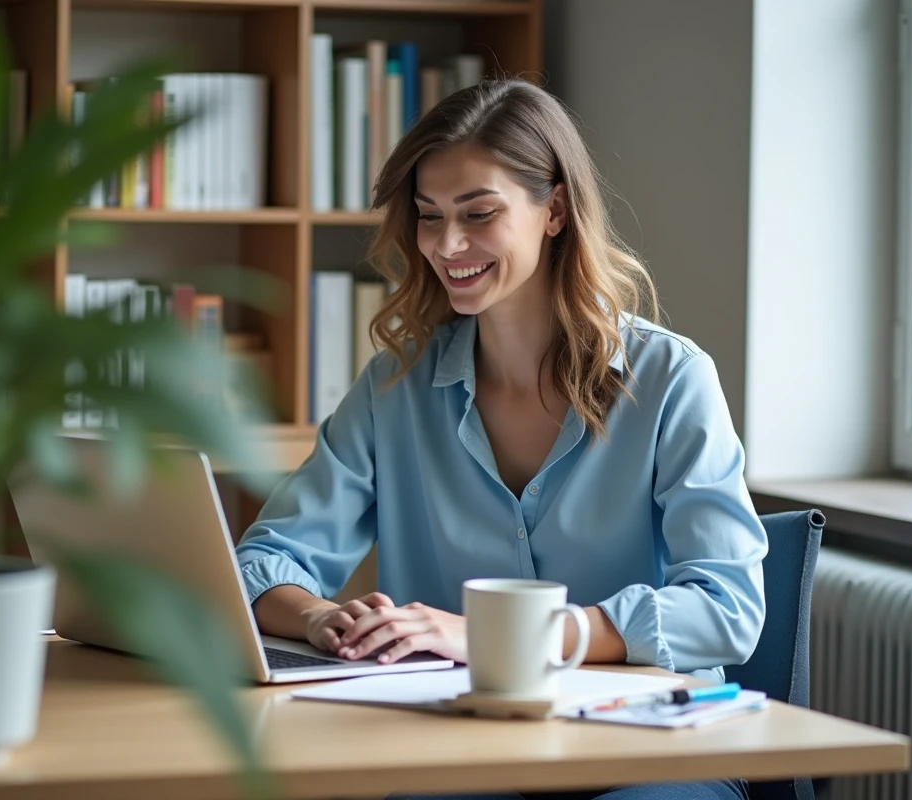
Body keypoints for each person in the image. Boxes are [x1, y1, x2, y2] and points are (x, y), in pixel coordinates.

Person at [236, 78, 766, 800]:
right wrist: (327, 617)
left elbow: (727, 609)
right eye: (428, 217)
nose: (447, 245)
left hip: (647, 751)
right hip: (463, 751)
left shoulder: (672, 380)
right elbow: (264, 562)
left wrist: (508, 639)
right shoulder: (397, 388)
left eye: (478, 214)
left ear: (553, 209)